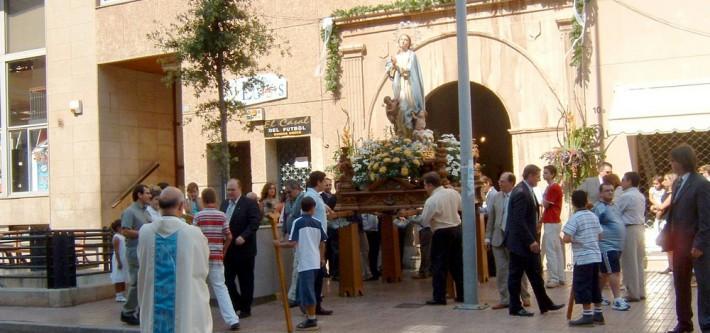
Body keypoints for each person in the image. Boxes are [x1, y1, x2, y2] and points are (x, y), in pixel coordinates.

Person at [137, 186, 211, 333]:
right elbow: (201, 269)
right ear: (182, 206)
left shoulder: (145, 232)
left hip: (154, 312)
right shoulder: (193, 234)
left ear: (158, 205)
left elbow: (142, 263)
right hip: (184, 311)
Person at [505, 164, 564, 317]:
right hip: (521, 244)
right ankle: (515, 307)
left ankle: (545, 303)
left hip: (525, 243)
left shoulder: (526, 190)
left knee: (535, 274)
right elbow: (518, 221)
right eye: (537, 176)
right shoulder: (521, 192)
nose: (539, 179)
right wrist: (531, 241)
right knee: (516, 275)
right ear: (530, 175)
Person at [663, 144, 710, 333]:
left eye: (673, 160)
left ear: (681, 161)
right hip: (679, 244)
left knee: (705, 286)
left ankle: (706, 324)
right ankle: (684, 323)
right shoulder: (677, 183)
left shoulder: (701, 184)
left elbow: (706, 218)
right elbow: (674, 212)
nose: (671, 164)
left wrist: (700, 243)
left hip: (697, 246)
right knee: (680, 284)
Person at [274, 196, 328, 331]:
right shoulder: (317, 222)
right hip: (315, 261)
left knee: (307, 291)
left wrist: (279, 244)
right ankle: (310, 314)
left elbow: (292, 243)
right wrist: (322, 258)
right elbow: (322, 242)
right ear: (312, 208)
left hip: (305, 262)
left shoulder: (297, 222)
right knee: (309, 290)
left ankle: (311, 319)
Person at [193, 187, 240, 331]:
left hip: (201, 257)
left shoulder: (198, 216)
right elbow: (229, 236)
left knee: (199, 288)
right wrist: (223, 250)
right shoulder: (222, 216)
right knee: (220, 287)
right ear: (215, 199)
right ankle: (232, 319)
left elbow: (194, 236)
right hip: (217, 256)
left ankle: (198, 320)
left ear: (203, 199)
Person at [484, 172, 531, 310]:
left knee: (518, 270)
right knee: (501, 270)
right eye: (499, 180)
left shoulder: (518, 196)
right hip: (498, 238)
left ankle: (525, 296)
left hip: (514, 239)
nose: (500, 183)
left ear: (511, 183)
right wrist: (488, 236)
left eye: (503, 181)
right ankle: (505, 299)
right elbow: (491, 217)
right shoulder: (496, 197)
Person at [419, 172, 463, 305]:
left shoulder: (432, 200)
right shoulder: (453, 193)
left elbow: (424, 220)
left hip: (441, 232)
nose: (425, 189)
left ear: (430, 185)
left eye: (425, 186)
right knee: (457, 264)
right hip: (456, 229)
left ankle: (439, 297)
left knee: (439, 265)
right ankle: (462, 294)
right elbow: (460, 207)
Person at [563, 190, 604, 326]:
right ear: (586, 201)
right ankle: (598, 313)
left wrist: (575, 239)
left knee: (583, 285)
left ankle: (587, 315)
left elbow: (567, 238)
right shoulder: (593, 216)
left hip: (582, 258)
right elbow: (600, 236)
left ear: (573, 203)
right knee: (595, 285)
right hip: (596, 256)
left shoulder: (575, 218)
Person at [221, 179, 260, 318]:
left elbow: (255, 222)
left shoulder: (249, 204)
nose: (230, 192)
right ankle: (236, 303)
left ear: (239, 189)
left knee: (246, 280)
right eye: (228, 190)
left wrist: (244, 236)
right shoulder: (225, 204)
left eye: (232, 190)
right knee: (227, 279)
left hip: (244, 249)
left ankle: (246, 308)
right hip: (228, 249)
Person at [592, 183, 631, 311]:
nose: (610, 192)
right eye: (607, 190)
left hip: (617, 245)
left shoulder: (614, 205)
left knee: (604, 273)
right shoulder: (599, 208)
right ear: (601, 193)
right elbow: (594, 224)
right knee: (614, 271)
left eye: (611, 190)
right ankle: (618, 300)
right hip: (607, 246)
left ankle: (596, 295)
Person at [302, 171, 333, 315]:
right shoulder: (310, 196)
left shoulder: (316, 196)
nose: (325, 183)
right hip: (314, 239)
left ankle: (317, 305)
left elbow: (321, 209)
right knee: (315, 273)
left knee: (319, 273)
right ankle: (311, 306)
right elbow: (309, 216)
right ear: (318, 182)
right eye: (323, 181)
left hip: (320, 238)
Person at [120, 184, 152, 326]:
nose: (149, 196)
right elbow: (125, 231)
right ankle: (127, 311)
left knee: (144, 281)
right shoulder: (130, 212)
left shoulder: (146, 212)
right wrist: (143, 233)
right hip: (134, 250)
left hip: (145, 250)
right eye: (147, 193)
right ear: (139, 195)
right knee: (136, 282)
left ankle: (140, 311)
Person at [385, 33, 426, 138]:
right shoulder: (395, 57)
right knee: (402, 108)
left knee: (410, 107)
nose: (403, 41)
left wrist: (397, 65)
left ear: (409, 43)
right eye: (401, 40)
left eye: (406, 40)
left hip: (409, 85)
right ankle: (404, 132)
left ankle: (410, 132)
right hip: (400, 85)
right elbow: (390, 72)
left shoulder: (412, 55)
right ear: (398, 43)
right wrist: (392, 66)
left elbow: (408, 70)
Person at [616, 171, 646, 302]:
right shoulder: (639, 195)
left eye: (623, 180)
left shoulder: (626, 196)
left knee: (629, 262)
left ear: (629, 181)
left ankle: (632, 292)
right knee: (638, 261)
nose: (621, 182)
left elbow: (616, 211)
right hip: (639, 227)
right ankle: (640, 290)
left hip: (629, 228)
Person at [540, 165, 565, 288]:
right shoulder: (551, 187)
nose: (544, 175)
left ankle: (554, 277)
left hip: (552, 221)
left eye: (546, 173)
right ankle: (560, 276)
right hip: (551, 220)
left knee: (551, 250)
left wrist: (543, 198)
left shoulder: (553, 187)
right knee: (556, 249)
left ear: (552, 174)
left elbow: (545, 204)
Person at [283, 180, 305, 306]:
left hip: (300, 237)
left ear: (297, 189)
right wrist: (283, 234)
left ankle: (293, 296)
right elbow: (287, 217)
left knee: (297, 268)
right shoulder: (288, 201)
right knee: (296, 266)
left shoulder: (303, 199)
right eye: (286, 192)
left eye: (289, 192)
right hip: (292, 236)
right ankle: (295, 295)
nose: (288, 194)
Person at [655, 172, 678, 274]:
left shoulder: (673, 193)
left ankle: (675, 267)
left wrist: (654, 206)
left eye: (666, 180)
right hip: (664, 219)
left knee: (671, 245)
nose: (663, 182)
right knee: (667, 246)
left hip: (669, 220)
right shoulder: (666, 192)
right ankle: (671, 266)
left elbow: (662, 206)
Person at [321, 178, 339, 280]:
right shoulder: (320, 197)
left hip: (333, 228)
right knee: (325, 250)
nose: (328, 187)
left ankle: (333, 271)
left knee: (333, 251)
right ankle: (324, 271)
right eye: (326, 185)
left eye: (329, 185)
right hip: (326, 226)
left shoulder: (333, 196)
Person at [110, 219, 128, 303]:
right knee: (118, 277)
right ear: (117, 228)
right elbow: (117, 251)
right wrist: (119, 262)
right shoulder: (116, 237)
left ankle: (122, 293)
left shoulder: (123, 236)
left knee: (123, 277)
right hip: (119, 259)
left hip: (124, 258)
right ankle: (118, 295)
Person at [362, 213, 381, 281]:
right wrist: (366, 228)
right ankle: (369, 272)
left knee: (374, 252)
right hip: (367, 230)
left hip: (375, 228)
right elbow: (363, 215)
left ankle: (374, 270)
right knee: (367, 252)